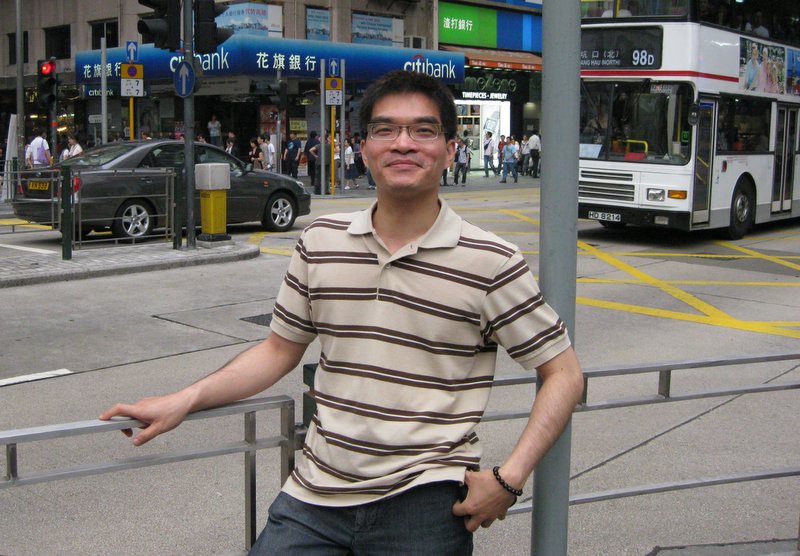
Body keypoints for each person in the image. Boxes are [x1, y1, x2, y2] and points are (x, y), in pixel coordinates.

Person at [100, 70, 584, 555]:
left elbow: (563, 373)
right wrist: (184, 400)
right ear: (364, 148)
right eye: (385, 129)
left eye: (423, 130)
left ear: (450, 149)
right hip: (312, 496)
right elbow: (278, 351)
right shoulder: (320, 241)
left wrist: (510, 478)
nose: (403, 143)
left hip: (426, 502)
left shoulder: (491, 260)